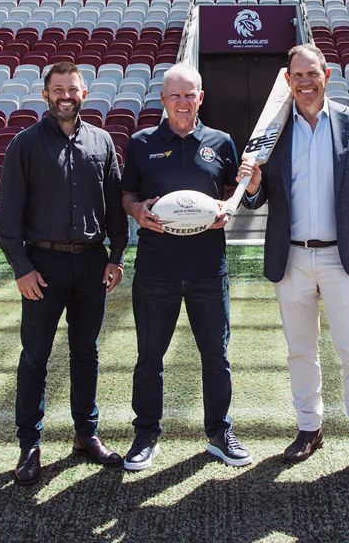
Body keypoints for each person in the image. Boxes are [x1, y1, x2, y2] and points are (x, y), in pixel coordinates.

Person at [238, 44, 349, 484]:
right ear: (287, 81)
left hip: (345, 258)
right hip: (293, 258)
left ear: (327, 74)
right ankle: (309, 427)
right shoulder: (273, 130)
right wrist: (253, 185)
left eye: (312, 73)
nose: (305, 82)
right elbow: (259, 198)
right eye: (297, 76)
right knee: (300, 350)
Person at [0, 62, 129, 485]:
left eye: (72, 88)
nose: (65, 95)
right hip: (43, 267)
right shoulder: (25, 144)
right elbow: (8, 217)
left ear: (85, 93)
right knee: (35, 357)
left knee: (86, 352)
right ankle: (29, 446)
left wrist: (117, 256)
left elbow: (113, 208)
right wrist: (22, 268)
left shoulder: (102, 142)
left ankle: (85, 435)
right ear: (46, 95)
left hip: (91, 263)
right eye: (57, 89)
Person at [121, 63, 251, 471]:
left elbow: (234, 194)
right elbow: (127, 195)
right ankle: (146, 433)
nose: (182, 102)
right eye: (174, 95)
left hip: (208, 270)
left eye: (189, 94)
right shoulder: (141, 142)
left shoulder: (222, 142)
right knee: (149, 356)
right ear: (162, 99)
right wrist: (137, 211)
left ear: (201, 98)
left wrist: (226, 211)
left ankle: (218, 431)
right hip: (156, 269)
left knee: (216, 355)